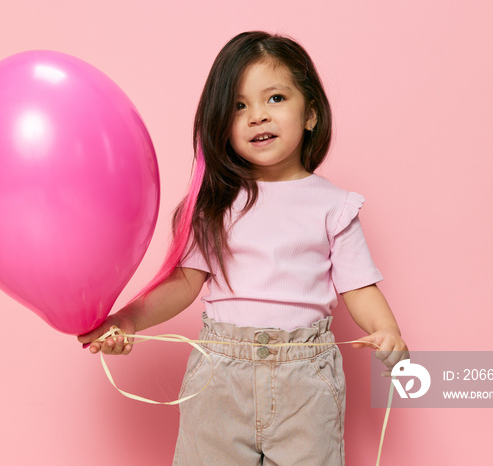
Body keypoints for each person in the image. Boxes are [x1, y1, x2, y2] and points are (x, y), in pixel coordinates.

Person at [78, 30, 408, 466]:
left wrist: (388, 332)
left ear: (310, 113)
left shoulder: (334, 206)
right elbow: (183, 282)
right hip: (219, 379)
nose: (257, 116)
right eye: (238, 106)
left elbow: (359, 287)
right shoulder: (213, 206)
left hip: (305, 383)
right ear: (221, 123)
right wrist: (127, 319)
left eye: (275, 99)